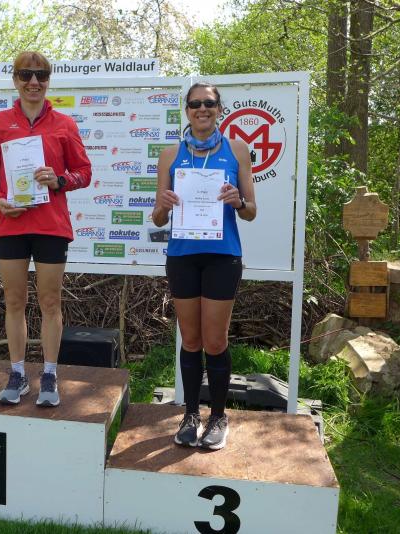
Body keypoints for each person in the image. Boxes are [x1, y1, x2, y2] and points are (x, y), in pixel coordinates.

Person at [0, 51, 91, 407]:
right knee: (14, 300)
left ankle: (50, 374)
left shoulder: (64, 124)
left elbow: (84, 173)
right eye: (26, 75)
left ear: (49, 80)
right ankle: (18, 373)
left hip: (51, 226)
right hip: (11, 224)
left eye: (41, 75)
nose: (34, 82)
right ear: (15, 80)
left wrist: (59, 180)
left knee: (50, 301)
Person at [152, 82, 256, 450]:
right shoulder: (170, 154)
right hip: (183, 256)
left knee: (215, 340)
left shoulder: (237, 150)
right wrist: (163, 205)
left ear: (219, 109)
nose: (202, 109)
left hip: (222, 256)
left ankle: (218, 416)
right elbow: (158, 218)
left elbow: (251, 212)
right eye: (195, 103)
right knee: (191, 339)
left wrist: (238, 201)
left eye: (209, 103)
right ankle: (191, 414)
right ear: (187, 110)